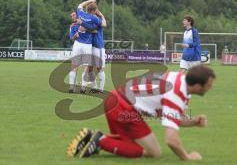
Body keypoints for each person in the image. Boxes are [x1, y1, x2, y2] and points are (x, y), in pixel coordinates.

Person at [67, 65, 216, 161]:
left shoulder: (180, 79)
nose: (211, 88)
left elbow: (173, 117)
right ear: (197, 86)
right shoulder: (176, 94)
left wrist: (193, 122)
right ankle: (100, 141)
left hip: (115, 100)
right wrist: (187, 157)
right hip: (122, 106)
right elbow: (171, 140)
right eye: (209, 85)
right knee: (153, 152)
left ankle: (99, 140)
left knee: (130, 145)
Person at [68, 0, 102, 93]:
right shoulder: (94, 18)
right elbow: (100, 25)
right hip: (87, 45)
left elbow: (80, 5)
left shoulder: (80, 14)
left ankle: (71, 88)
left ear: (86, 9)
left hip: (77, 44)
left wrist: (90, 0)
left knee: (74, 66)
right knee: (86, 67)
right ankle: (83, 88)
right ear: (94, 10)